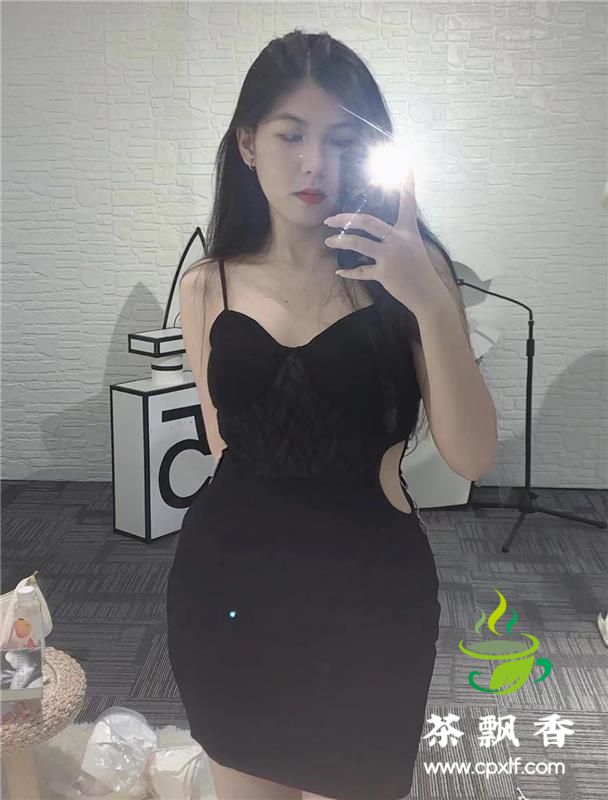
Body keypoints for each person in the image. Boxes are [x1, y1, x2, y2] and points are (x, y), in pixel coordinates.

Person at [167, 29, 484, 800]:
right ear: (248, 143)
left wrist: (430, 300)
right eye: (291, 135)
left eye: (342, 141)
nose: (317, 164)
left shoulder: (410, 274)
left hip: (369, 599)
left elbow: (472, 455)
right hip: (228, 594)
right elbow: (222, 444)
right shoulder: (209, 284)